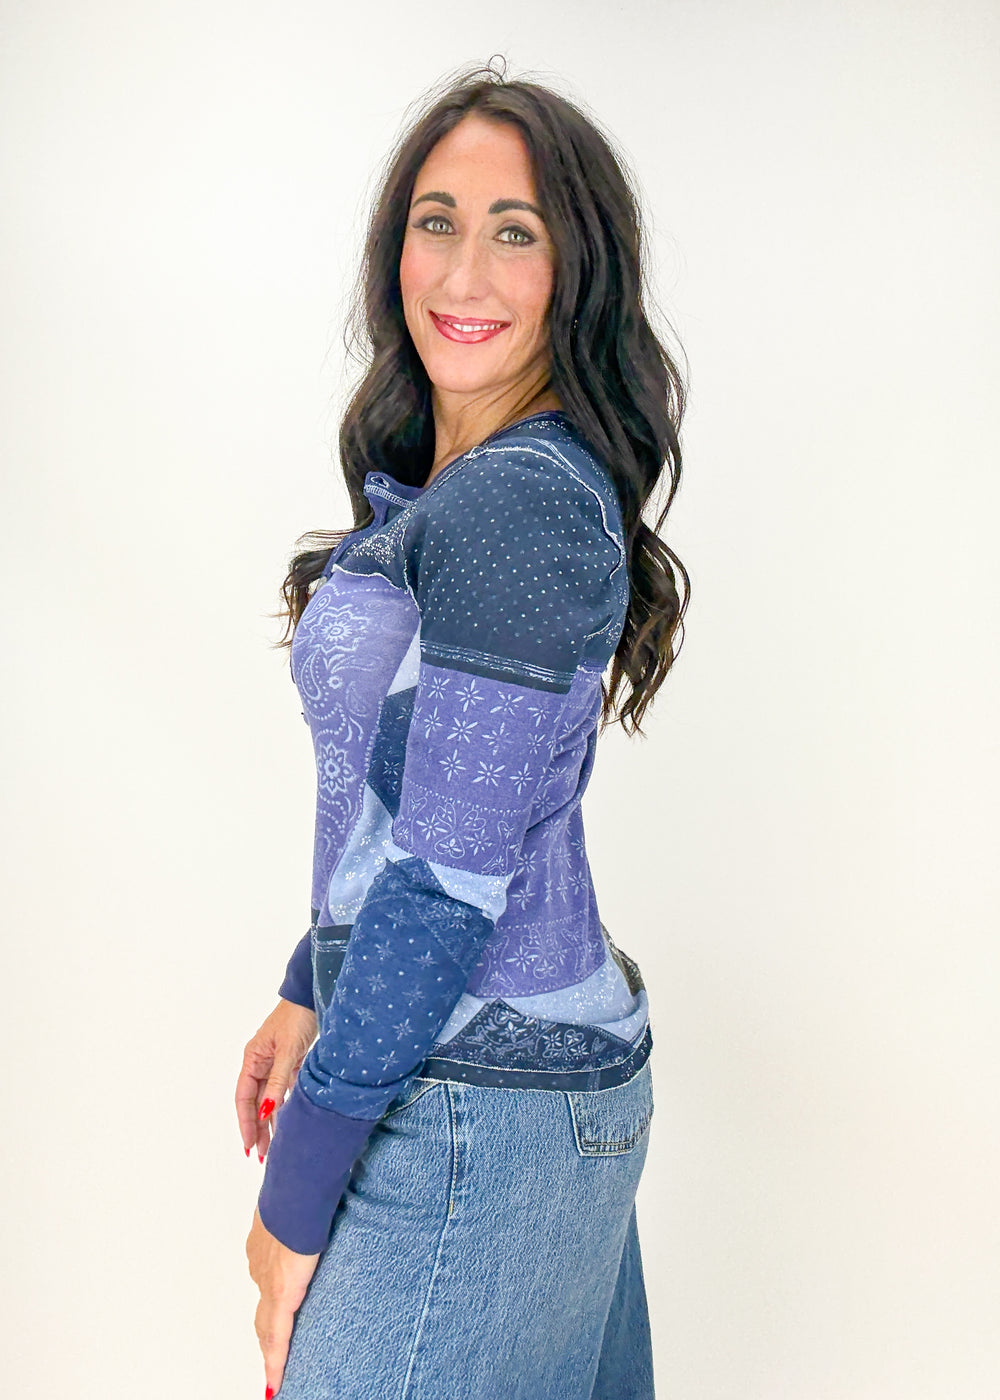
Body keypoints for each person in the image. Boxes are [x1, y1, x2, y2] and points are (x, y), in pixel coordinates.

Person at [234, 63, 687, 1400]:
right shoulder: (466, 484)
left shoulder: (515, 502)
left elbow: (444, 881)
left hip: (476, 1112)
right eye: (438, 222)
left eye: (516, 231)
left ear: (576, 272)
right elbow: (419, 794)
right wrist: (310, 980)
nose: (466, 272)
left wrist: (293, 1202)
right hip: (499, 1090)